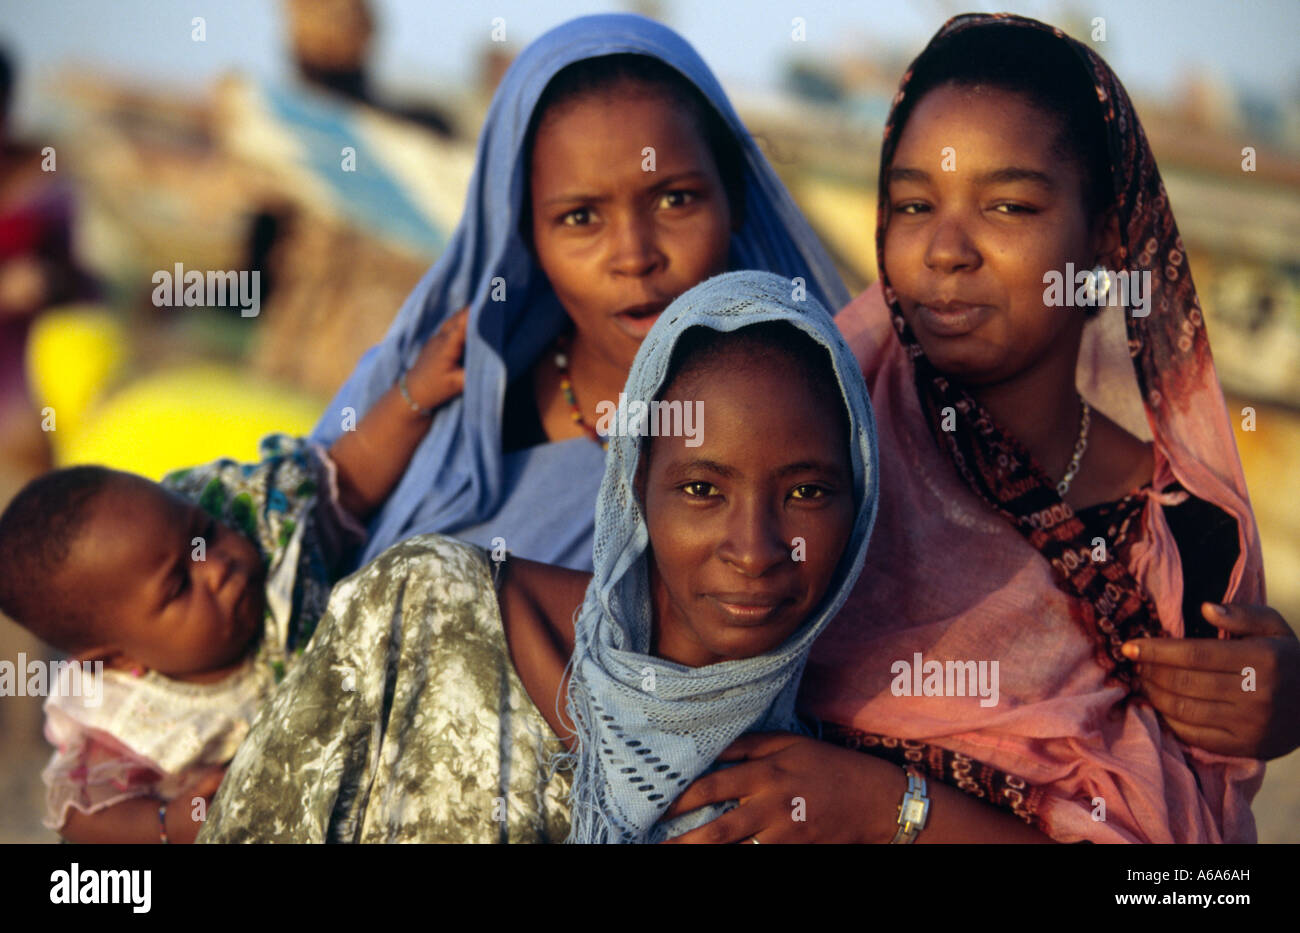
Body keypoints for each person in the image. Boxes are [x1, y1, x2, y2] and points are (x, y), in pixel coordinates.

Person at [787, 13, 1295, 844]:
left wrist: (888, 806)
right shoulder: (811, 450)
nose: (946, 248)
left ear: (1103, 241)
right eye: (914, 203)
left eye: (1009, 205)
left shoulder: (1182, 542)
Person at [200, 270, 919, 842]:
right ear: (636, 488)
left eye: (808, 492)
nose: (756, 548)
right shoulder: (422, 608)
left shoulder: (810, 797)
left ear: (860, 507)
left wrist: (896, 807)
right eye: (702, 488)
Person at [312, 13, 848, 574]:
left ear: (734, 198)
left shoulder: (813, 432)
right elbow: (271, 557)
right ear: (523, 234)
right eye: (582, 216)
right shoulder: (426, 394)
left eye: (675, 200)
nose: (635, 256)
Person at [0, 309, 468, 842]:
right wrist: (166, 823)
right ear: (117, 658)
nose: (217, 565)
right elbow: (79, 819)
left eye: (204, 532)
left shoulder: (262, 533)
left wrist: (413, 396)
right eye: (179, 585)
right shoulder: (126, 719)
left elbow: (347, 477)